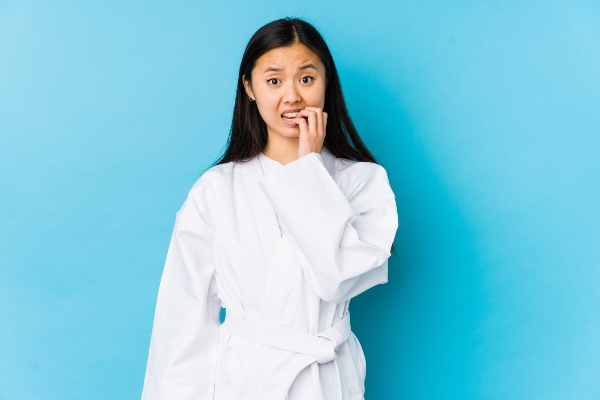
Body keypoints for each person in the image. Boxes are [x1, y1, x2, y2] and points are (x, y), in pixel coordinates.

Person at [140, 17, 398, 400]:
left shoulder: (363, 182)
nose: (292, 97)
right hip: (245, 381)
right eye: (274, 81)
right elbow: (183, 318)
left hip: (328, 381)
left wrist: (307, 169)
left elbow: (337, 278)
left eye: (306, 79)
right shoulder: (216, 189)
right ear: (250, 87)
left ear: (327, 83)